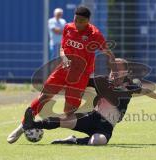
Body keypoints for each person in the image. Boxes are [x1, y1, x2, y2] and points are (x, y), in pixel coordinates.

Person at [7, 6, 117, 144]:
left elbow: (108, 53)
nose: (77, 23)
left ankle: (72, 139)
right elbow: (62, 47)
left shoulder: (95, 34)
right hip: (63, 70)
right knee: (44, 96)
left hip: (80, 77)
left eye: (81, 21)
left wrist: (114, 67)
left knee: (68, 113)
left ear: (88, 21)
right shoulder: (68, 28)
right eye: (75, 19)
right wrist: (64, 57)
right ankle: (23, 126)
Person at [23, 58, 156, 145]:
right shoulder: (101, 81)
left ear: (125, 72)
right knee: (64, 121)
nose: (113, 72)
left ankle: (73, 141)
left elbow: (147, 91)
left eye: (117, 69)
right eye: (112, 69)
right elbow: (80, 80)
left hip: (106, 127)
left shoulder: (131, 86)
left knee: (98, 141)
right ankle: (32, 124)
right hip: (91, 118)